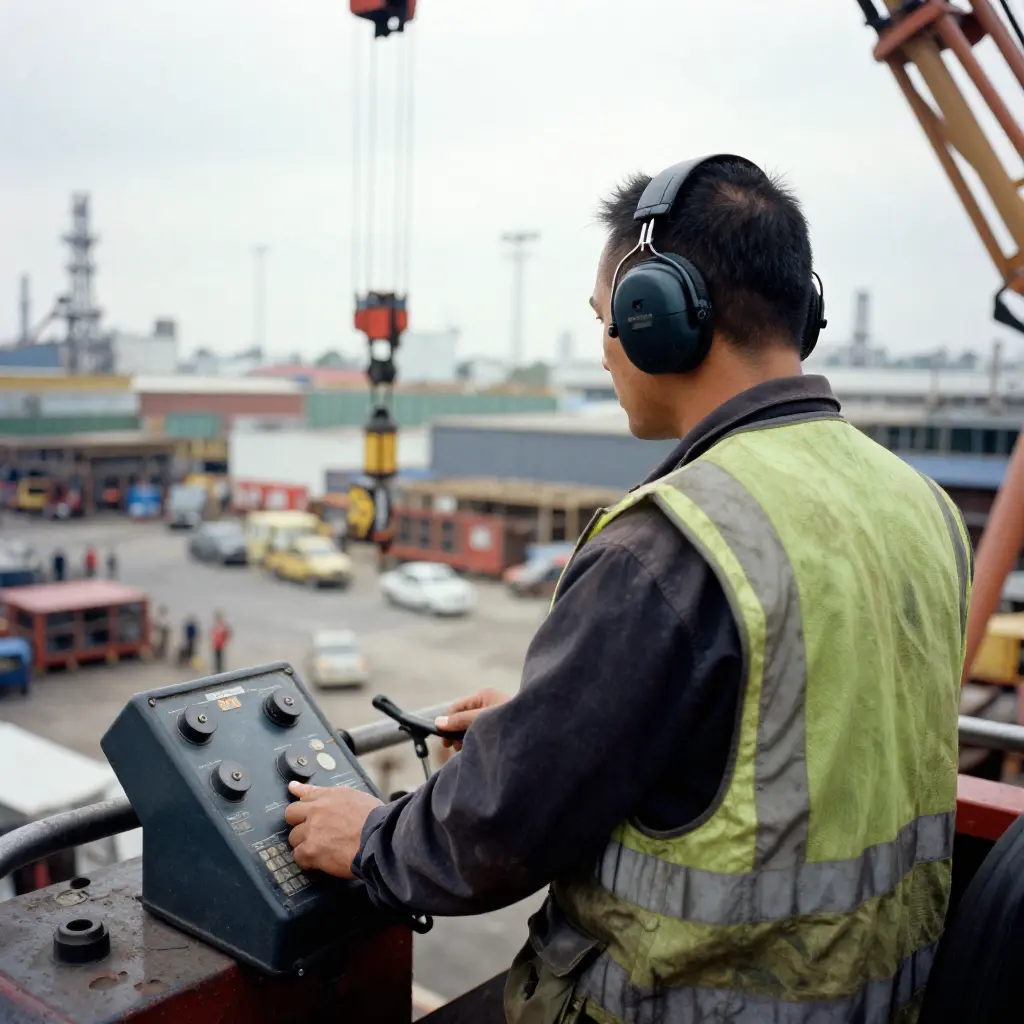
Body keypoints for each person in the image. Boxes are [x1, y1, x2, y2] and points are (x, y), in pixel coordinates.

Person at [284, 156, 970, 1022]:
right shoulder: (923, 505)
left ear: (662, 318)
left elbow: (496, 839)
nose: (606, 349)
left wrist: (372, 840)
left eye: (608, 318)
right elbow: (799, 736)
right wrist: (552, 726)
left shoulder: (672, 541)